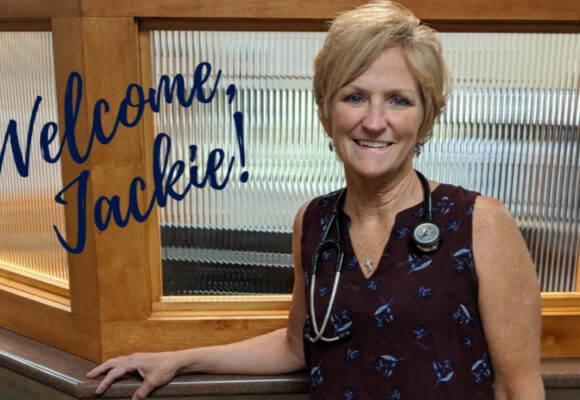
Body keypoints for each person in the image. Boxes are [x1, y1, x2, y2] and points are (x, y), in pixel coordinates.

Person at [87, 1, 545, 399]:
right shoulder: (315, 220)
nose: (374, 120)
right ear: (326, 112)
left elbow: (518, 388)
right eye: (354, 97)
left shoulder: (477, 221)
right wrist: (178, 360)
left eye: (399, 101)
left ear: (426, 120)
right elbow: (297, 344)